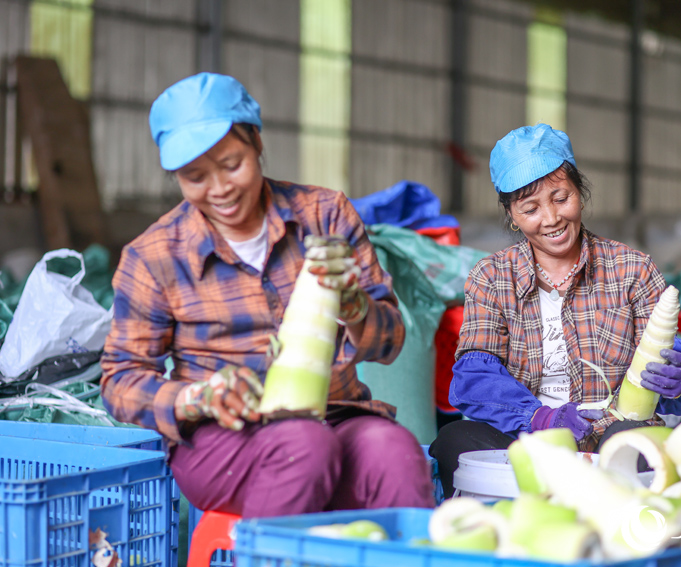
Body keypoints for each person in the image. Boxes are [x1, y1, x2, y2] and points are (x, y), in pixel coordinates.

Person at [100, 72, 435, 517]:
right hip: (221, 435)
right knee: (303, 447)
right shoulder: (154, 256)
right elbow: (119, 381)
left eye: (232, 164)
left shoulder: (325, 215)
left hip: (336, 412)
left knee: (395, 452)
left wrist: (354, 306)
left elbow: (390, 342)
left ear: (257, 141)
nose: (219, 189)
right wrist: (195, 396)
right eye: (194, 177)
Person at [429, 124, 681, 498]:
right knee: (454, 441)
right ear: (512, 215)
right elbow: (473, 377)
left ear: (580, 191)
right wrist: (538, 418)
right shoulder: (492, 276)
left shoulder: (632, 269)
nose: (551, 219)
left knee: (637, 442)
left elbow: (671, 359)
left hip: (614, 433)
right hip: (525, 438)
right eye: (530, 208)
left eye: (561, 198)